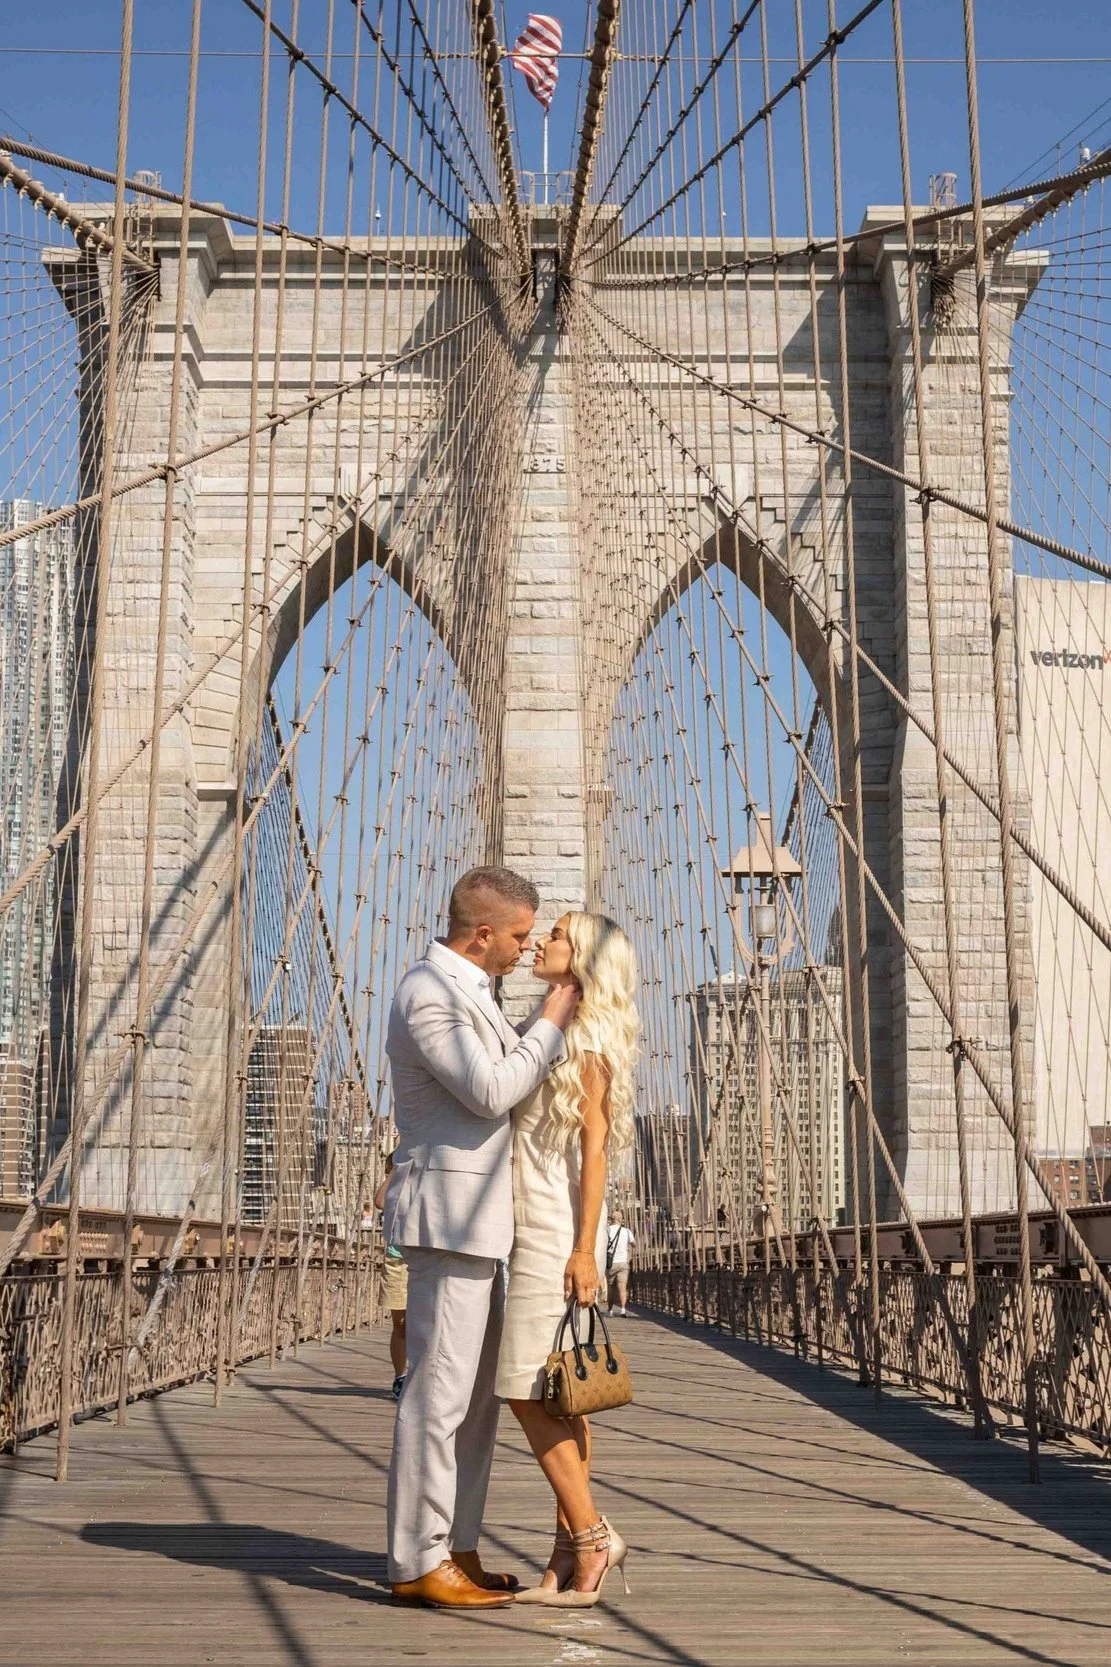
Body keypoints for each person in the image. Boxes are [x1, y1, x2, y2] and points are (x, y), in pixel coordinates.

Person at [383, 866, 581, 1611]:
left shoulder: (475, 993)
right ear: (484, 932)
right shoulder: (427, 992)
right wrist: (557, 1015)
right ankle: (415, 1558)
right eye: (520, 935)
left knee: (475, 1403)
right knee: (435, 1398)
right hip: (447, 1219)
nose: (525, 949)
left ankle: (455, 1544)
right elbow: (490, 1089)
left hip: (485, 1222)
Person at [494, 912, 640, 1608]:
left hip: (551, 1232)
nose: (541, 944)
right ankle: (564, 1555)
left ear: (578, 956)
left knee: (524, 1388)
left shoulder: (585, 1042)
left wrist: (584, 1250)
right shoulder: (548, 1026)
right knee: (560, 1392)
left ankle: (591, 1534)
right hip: (530, 1226)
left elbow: (595, 1153)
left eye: (553, 935)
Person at [373, 1153, 408, 1399]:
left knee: (429, 1324)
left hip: (428, 1257)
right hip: (397, 1259)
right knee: (402, 1325)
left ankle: (423, 1377)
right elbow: (380, 1202)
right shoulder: (394, 1183)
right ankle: (401, 1376)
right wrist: (396, 1171)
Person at [605, 1210, 634, 1317]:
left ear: (611, 1220)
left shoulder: (607, 1230)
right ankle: (622, 1309)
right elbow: (633, 1243)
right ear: (620, 1220)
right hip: (623, 1262)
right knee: (622, 1286)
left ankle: (610, 1310)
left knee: (610, 1287)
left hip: (610, 1262)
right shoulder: (626, 1231)